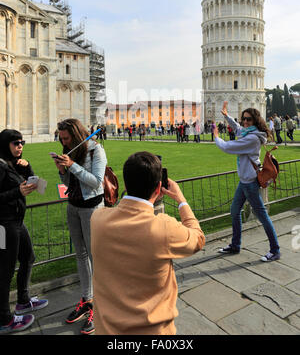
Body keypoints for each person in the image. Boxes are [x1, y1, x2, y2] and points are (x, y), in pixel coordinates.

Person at [91, 151, 205, 335]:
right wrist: (181, 200)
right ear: (159, 188)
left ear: (126, 184)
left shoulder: (97, 219)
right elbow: (198, 239)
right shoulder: (163, 227)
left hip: (107, 329)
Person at [53, 119, 107, 335]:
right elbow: (69, 185)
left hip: (92, 208)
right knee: (81, 255)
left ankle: (102, 307)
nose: (64, 143)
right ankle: (87, 300)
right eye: (61, 139)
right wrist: (62, 171)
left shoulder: (96, 150)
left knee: (96, 257)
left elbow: (96, 182)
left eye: (66, 138)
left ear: (76, 135)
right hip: (73, 206)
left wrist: (72, 166)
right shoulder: (69, 150)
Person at [213, 102, 280, 262]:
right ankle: (235, 245)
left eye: (248, 119)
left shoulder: (252, 138)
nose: (245, 122)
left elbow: (229, 147)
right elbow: (238, 129)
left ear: (255, 121)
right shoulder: (250, 132)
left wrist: (216, 137)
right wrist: (227, 116)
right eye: (244, 119)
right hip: (245, 181)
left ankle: (275, 250)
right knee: (235, 211)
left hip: (249, 182)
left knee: (262, 215)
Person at [0, 129, 48, 335]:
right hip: (4, 224)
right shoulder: (0, 166)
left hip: (17, 221)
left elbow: (35, 184)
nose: (20, 146)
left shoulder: (13, 163)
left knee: (28, 257)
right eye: (16, 143)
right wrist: (16, 192)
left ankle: (23, 300)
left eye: (22, 143)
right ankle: (4, 319)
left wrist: (28, 168)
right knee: (5, 270)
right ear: (5, 145)